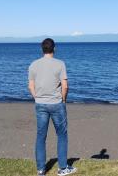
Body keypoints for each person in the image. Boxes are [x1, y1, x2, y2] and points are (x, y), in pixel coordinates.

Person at [28, 38, 77, 176]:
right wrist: (63, 100)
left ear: (42, 49)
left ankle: (41, 170)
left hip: (40, 104)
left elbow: (31, 86)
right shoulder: (60, 64)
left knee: (41, 136)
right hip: (57, 104)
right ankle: (62, 168)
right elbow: (65, 86)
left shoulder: (33, 65)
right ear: (54, 49)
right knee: (61, 135)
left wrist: (37, 98)